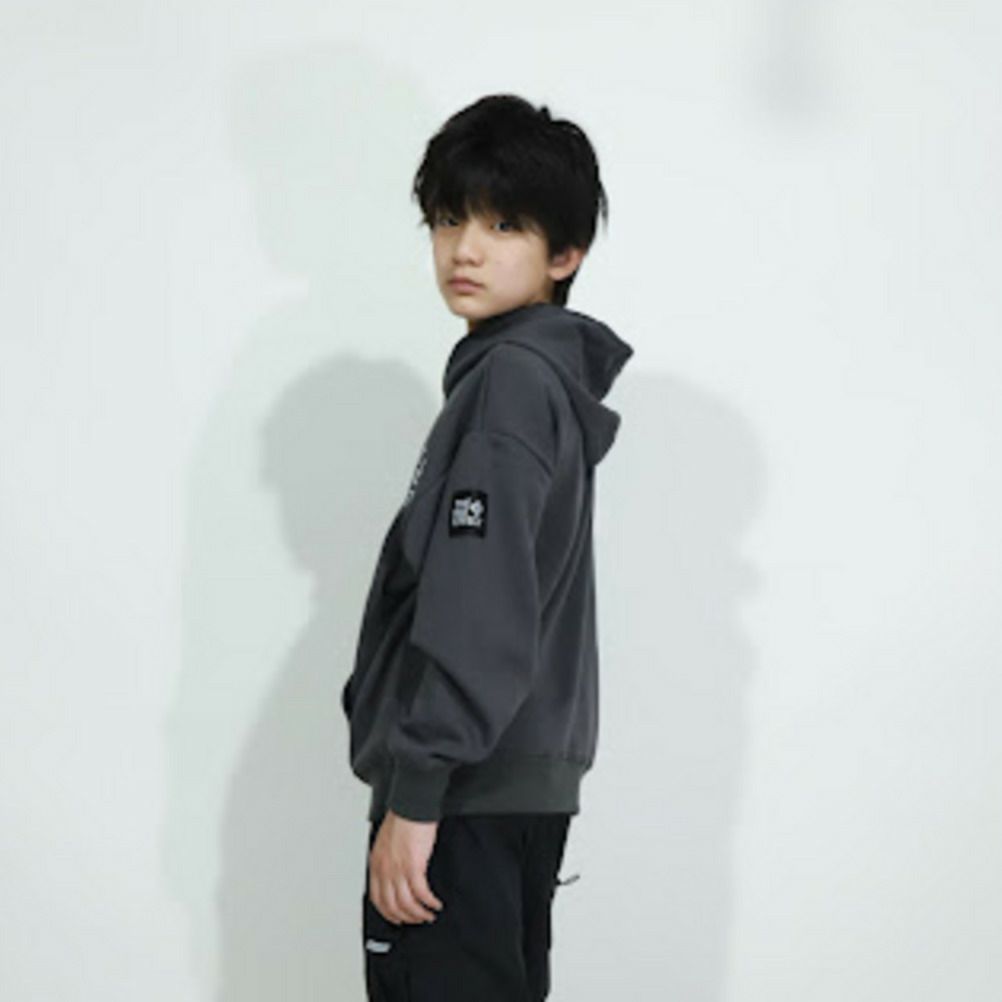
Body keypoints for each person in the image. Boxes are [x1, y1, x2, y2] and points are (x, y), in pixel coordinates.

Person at [340, 92, 634, 1001]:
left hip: (466, 795)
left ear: (564, 254)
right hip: (518, 789)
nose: (465, 249)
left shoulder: (508, 384)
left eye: (504, 224)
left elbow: (479, 609)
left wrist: (418, 791)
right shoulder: (535, 383)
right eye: (449, 218)